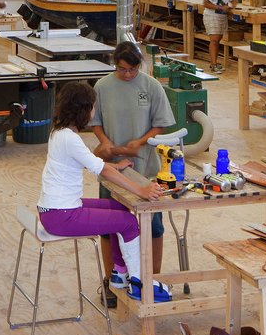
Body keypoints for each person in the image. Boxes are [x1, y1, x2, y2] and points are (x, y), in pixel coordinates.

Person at [38, 83, 167, 286]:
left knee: (120, 208)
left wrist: (114, 165)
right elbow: (102, 170)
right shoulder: (70, 139)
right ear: (84, 110)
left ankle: (120, 272)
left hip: (54, 211)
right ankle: (140, 282)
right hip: (62, 216)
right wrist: (141, 190)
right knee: (129, 222)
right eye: (93, 106)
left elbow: (91, 162)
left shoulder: (59, 132)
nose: (94, 111)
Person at [91, 42, 176, 303]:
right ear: (114, 64)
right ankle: (111, 280)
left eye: (132, 69)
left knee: (155, 226)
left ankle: (150, 280)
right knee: (108, 225)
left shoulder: (151, 86)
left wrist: (139, 142)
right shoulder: (102, 87)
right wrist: (105, 142)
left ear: (140, 65)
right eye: (122, 69)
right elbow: (95, 123)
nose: (127, 74)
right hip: (112, 166)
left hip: (145, 166)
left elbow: (160, 124)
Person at [201, 0, 234, 72]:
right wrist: (220, 7)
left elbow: (234, 0)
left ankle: (214, 62)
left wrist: (230, 6)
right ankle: (213, 64)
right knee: (214, 40)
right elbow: (205, 3)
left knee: (218, 39)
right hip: (212, 16)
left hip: (222, 17)